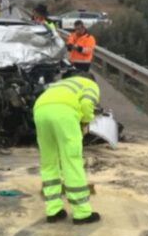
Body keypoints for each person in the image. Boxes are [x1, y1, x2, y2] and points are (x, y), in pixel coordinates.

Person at [32, 71, 101, 224]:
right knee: (71, 161)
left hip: (40, 110)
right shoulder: (90, 84)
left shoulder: (62, 84)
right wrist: (85, 121)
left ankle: (53, 210)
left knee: (49, 162)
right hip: (64, 113)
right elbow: (87, 104)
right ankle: (81, 213)